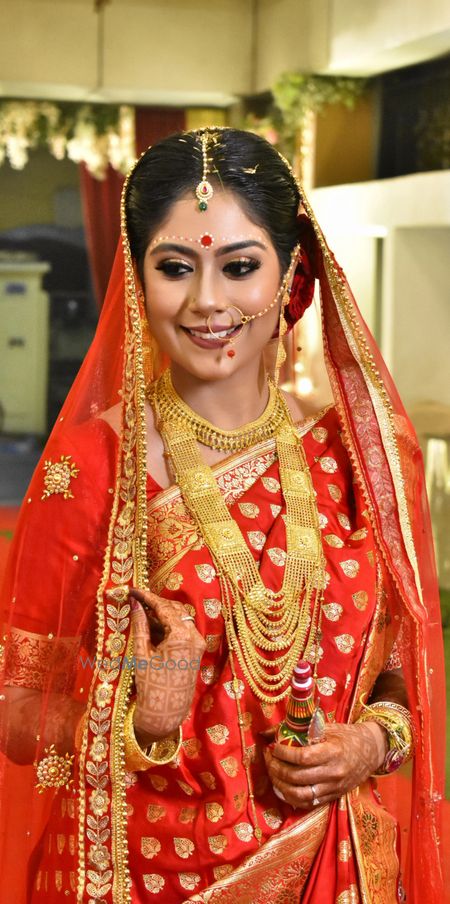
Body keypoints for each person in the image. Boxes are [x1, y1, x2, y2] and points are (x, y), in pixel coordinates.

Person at [0, 128, 445, 904]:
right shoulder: (92, 467)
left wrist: (372, 742)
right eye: (176, 267)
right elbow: (17, 711)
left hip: (334, 866)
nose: (208, 300)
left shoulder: (364, 459)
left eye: (240, 266)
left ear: (292, 274)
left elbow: (406, 672)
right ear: (138, 279)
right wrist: (138, 717)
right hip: (149, 873)